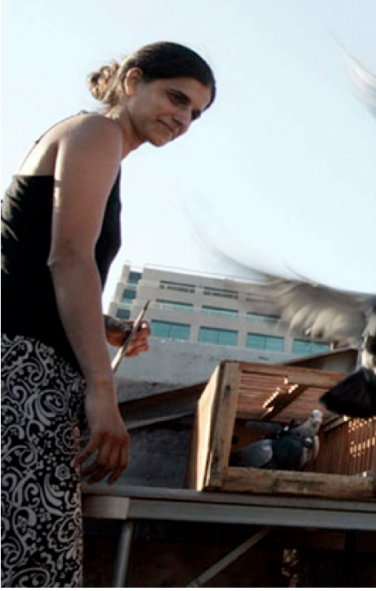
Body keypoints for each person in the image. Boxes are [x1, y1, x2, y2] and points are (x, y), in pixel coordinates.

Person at [1, 42, 216, 587]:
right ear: (131, 82)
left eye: (195, 112)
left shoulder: (100, 148)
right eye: (176, 97)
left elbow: (27, 267)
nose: (184, 119)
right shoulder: (95, 133)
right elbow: (67, 256)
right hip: (21, 372)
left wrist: (106, 328)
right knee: (31, 557)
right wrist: (103, 389)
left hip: (29, 365)